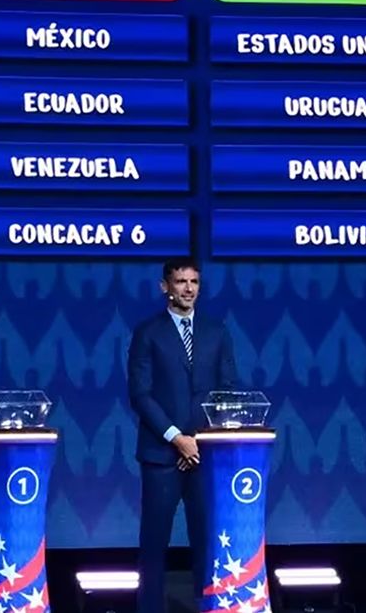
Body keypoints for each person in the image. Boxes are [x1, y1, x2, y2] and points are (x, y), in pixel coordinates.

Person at [127, 257, 238, 613]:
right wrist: (178, 438)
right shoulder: (148, 333)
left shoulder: (217, 332)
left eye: (194, 282)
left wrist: (200, 439)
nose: (188, 289)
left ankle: (210, 606)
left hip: (205, 455)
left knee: (208, 540)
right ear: (165, 287)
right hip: (162, 456)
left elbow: (227, 390)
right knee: (154, 543)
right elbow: (140, 394)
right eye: (180, 282)